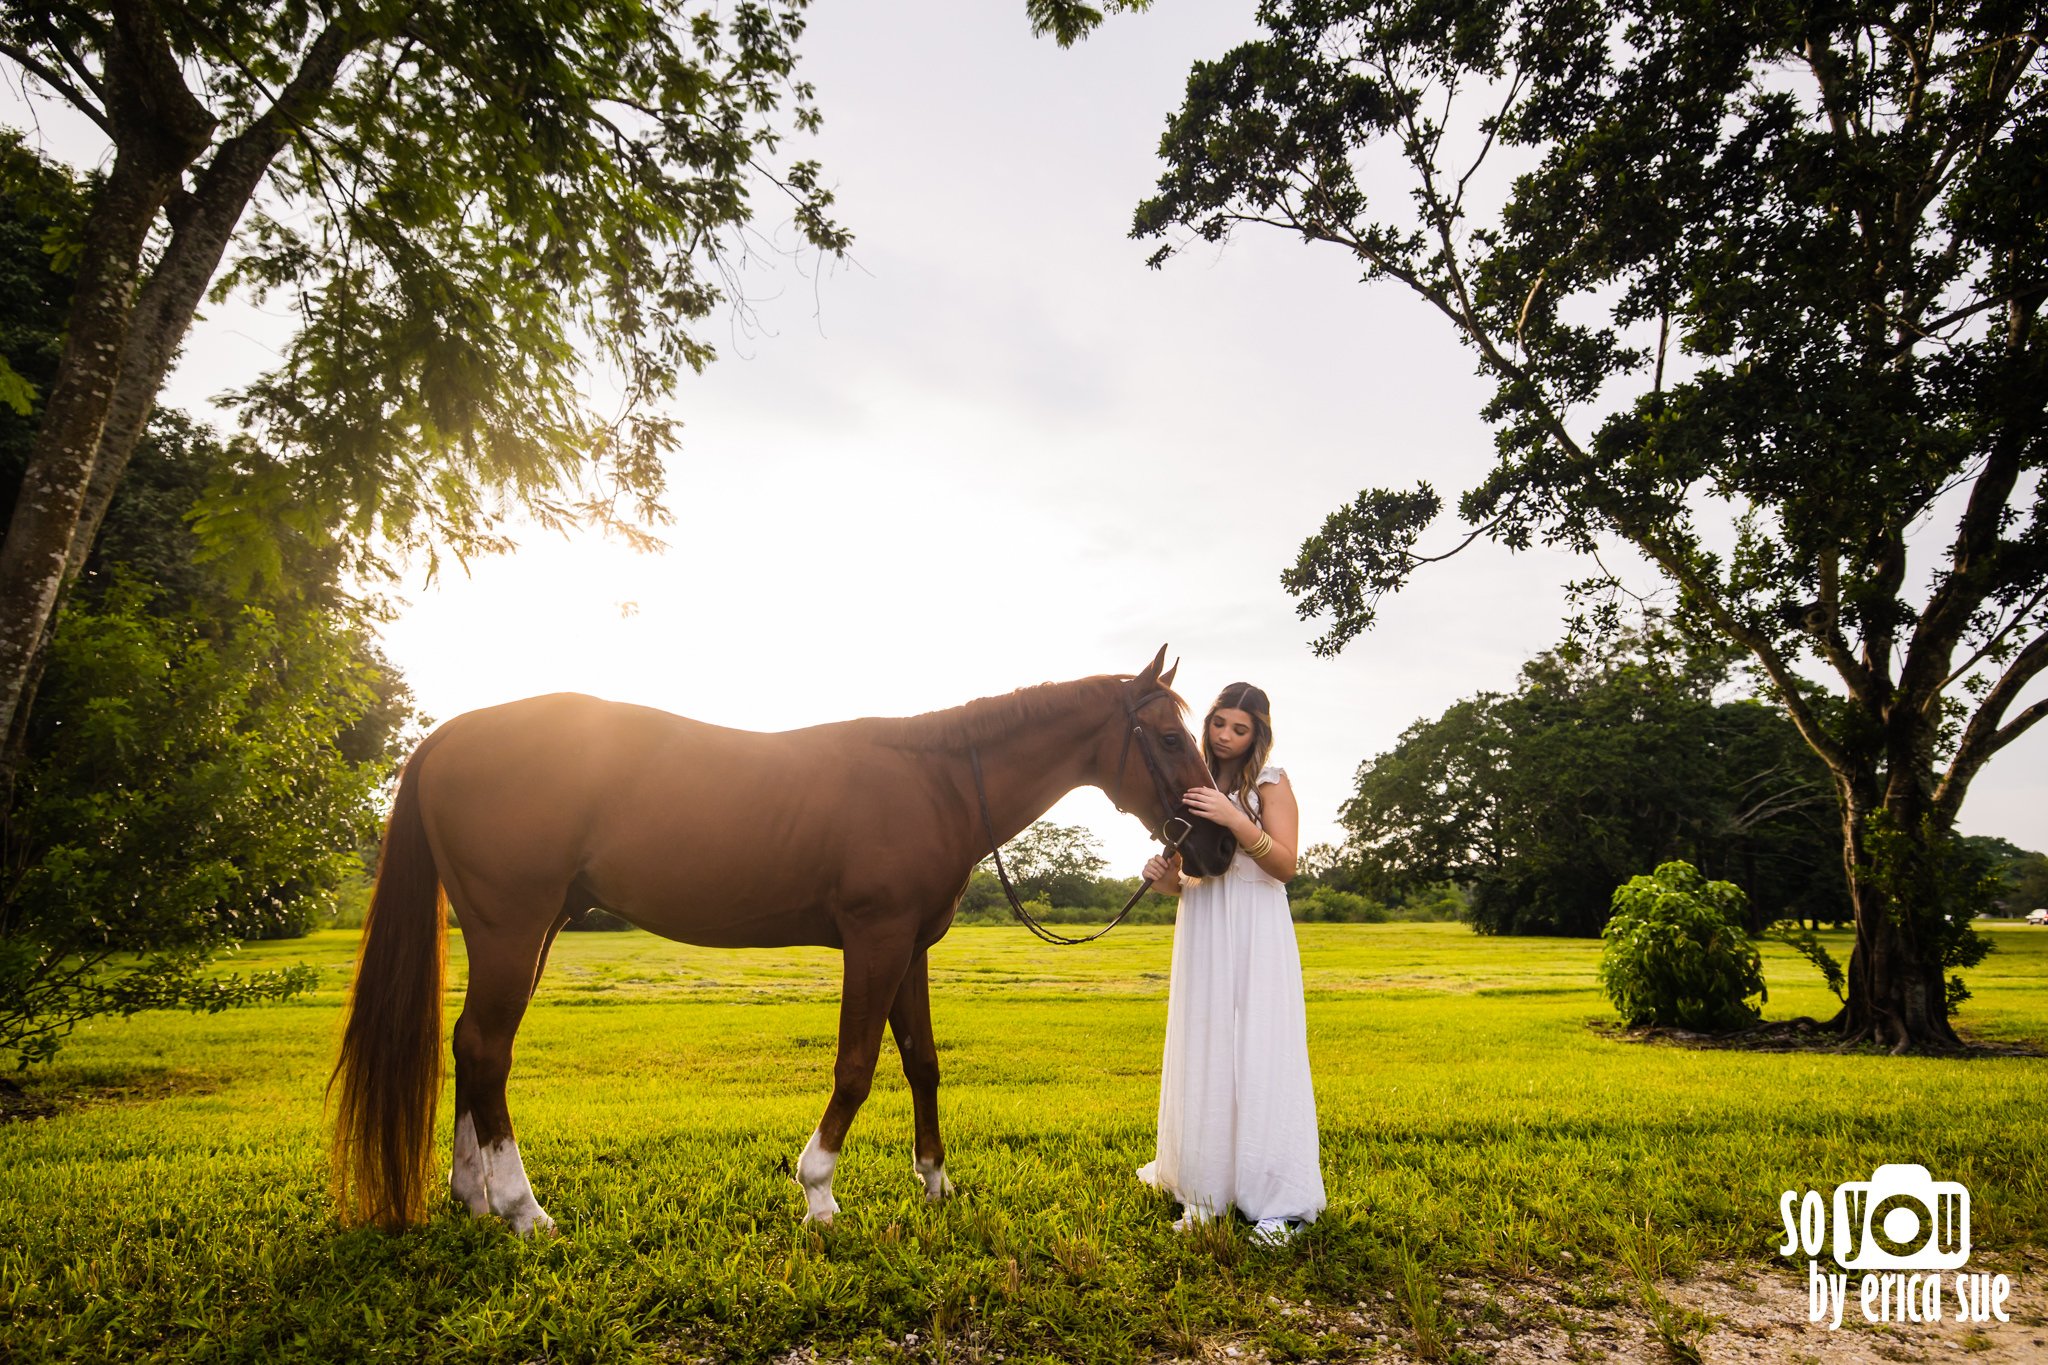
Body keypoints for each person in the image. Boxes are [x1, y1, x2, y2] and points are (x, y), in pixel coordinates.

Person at [1135, 682, 1326, 1245]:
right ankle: (1204, 1192)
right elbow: (1190, 876)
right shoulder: (1192, 781)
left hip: (1257, 923)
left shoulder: (1272, 781)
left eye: (1239, 729)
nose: (1225, 736)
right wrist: (1165, 880)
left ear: (1257, 733)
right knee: (1206, 1046)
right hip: (1203, 920)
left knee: (1262, 1048)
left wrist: (1233, 817)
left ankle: (1280, 1205)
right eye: (1219, 723)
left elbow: (1286, 866)